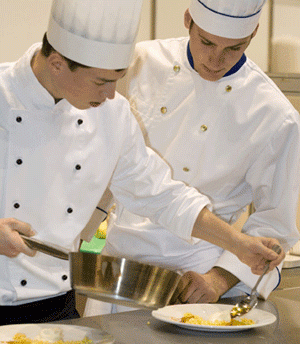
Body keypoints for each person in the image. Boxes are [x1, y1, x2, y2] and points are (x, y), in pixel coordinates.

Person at [0, 0, 284, 324]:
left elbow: (161, 194)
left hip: (57, 308)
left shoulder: (111, 114)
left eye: (117, 79)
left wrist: (239, 243)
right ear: (56, 64)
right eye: (100, 82)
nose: (111, 95)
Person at [84, 0, 300, 316]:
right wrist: (77, 230)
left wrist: (217, 280)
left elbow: (275, 226)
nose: (215, 60)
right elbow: (108, 160)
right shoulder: (141, 63)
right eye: (207, 42)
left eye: (234, 48)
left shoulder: (275, 115)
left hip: (194, 277)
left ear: (253, 34)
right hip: (118, 267)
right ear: (188, 20)